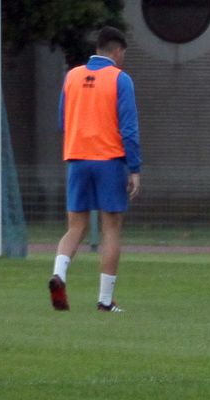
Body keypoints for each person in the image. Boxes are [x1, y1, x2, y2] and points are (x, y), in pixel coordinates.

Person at [48, 26, 141, 312]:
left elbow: (62, 121)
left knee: (75, 226)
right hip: (109, 159)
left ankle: (59, 275)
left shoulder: (72, 76)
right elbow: (128, 129)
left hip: (77, 158)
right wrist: (134, 168)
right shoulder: (120, 79)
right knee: (111, 228)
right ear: (118, 51)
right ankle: (105, 300)